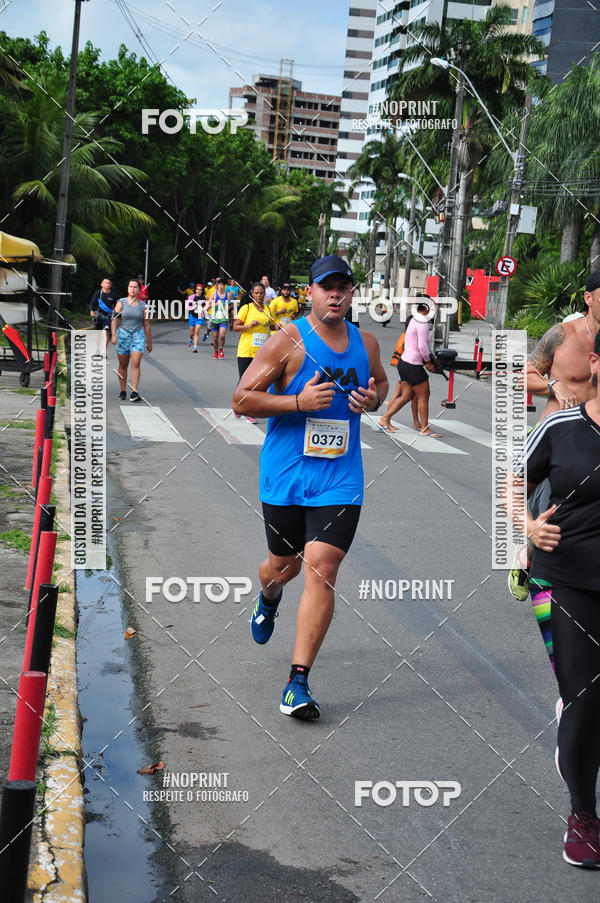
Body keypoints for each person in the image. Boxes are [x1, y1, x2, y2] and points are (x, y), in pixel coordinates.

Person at [232, 255, 388, 719]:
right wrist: (299, 401)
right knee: (285, 567)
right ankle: (269, 595)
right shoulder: (288, 340)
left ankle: (296, 682)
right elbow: (241, 399)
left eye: (343, 287)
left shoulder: (367, 342)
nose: (335, 294)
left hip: (340, 478)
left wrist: (373, 397)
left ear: (351, 293)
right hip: (285, 476)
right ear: (311, 293)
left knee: (322, 565)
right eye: (326, 287)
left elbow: (380, 382)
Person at [507, 328, 600, 867]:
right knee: (586, 698)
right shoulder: (561, 428)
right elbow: (514, 479)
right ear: (594, 363)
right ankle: (584, 815)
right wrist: (525, 526)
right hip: (566, 578)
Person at [376, 301, 440, 437]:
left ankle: (384, 419)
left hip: (404, 362)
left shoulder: (415, 319)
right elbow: (422, 346)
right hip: (413, 364)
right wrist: (428, 362)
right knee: (424, 395)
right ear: (427, 308)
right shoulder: (422, 321)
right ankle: (425, 428)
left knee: (407, 396)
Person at [232, 282, 274, 423]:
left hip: (261, 353)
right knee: (243, 381)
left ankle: (248, 410)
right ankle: (239, 406)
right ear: (252, 294)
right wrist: (249, 326)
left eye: (261, 293)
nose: (259, 295)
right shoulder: (246, 308)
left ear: (265, 294)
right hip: (246, 350)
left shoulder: (268, 309)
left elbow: (273, 326)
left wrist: (280, 329)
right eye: (256, 293)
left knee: (257, 382)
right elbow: (235, 326)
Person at [111, 279, 152, 402]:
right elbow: (114, 319)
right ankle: (123, 390)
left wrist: (149, 342)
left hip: (137, 335)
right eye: (131, 286)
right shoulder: (121, 302)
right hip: (123, 334)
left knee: (136, 363)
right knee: (123, 365)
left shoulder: (143, 306)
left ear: (139, 290)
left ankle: (134, 391)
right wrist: (113, 335)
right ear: (128, 288)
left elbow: (147, 324)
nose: (133, 289)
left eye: (135, 287)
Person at [89, 277, 117, 347]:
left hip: (107, 317)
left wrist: (116, 315)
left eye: (109, 283)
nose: (107, 284)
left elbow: (117, 305)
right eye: (106, 283)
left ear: (110, 285)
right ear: (102, 284)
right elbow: (92, 303)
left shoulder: (113, 295)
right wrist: (91, 311)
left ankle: (103, 351)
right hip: (98, 316)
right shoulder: (98, 293)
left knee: (105, 333)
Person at [209, 278, 231, 359]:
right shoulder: (213, 294)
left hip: (224, 318)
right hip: (215, 318)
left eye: (222, 285)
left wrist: (228, 307)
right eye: (219, 285)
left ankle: (221, 349)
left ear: (224, 286)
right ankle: (215, 351)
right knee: (215, 337)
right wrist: (215, 304)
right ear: (217, 286)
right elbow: (208, 305)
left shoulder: (228, 295)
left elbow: (232, 304)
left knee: (222, 335)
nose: (220, 287)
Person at [187, 283, 205, 352]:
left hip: (200, 316)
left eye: (200, 290)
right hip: (192, 316)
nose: (199, 291)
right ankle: (190, 339)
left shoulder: (203, 298)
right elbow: (188, 306)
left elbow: (205, 306)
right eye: (198, 289)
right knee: (191, 333)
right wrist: (194, 307)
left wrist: (203, 308)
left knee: (196, 332)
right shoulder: (192, 297)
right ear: (195, 290)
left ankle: (195, 347)